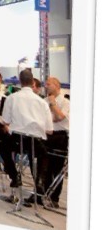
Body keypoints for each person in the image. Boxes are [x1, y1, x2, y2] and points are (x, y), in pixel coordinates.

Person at [0, 69, 53, 192]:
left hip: (17, 140)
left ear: (20, 81)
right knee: (43, 155)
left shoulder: (11, 98)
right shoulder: (42, 102)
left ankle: (14, 176)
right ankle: (39, 182)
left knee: (3, 147)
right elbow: (49, 130)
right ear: (33, 82)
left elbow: (5, 121)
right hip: (35, 142)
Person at [41, 76, 70, 208]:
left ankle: (54, 198)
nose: (46, 86)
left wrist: (53, 104)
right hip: (46, 135)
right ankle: (43, 193)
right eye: (46, 84)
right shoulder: (44, 101)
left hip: (60, 137)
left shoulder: (65, 102)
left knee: (57, 169)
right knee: (44, 167)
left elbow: (59, 117)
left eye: (49, 84)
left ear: (57, 86)